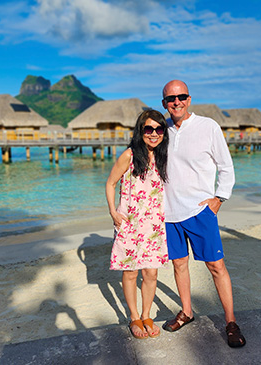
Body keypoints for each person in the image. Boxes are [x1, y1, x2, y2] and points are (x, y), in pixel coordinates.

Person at [161, 80, 246, 348]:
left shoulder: (208, 126)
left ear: (189, 99)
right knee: (178, 264)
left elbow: (226, 166)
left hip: (200, 212)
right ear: (164, 103)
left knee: (216, 267)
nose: (176, 102)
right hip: (169, 213)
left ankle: (231, 322)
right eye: (170, 99)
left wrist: (220, 198)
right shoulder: (159, 130)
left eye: (181, 97)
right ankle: (186, 311)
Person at [106, 109, 169, 339]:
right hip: (130, 222)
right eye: (149, 129)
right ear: (140, 130)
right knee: (131, 272)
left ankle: (146, 314)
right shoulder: (129, 155)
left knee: (151, 273)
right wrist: (113, 211)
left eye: (159, 129)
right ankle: (134, 317)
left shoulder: (163, 156)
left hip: (153, 224)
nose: (154, 134)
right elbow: (111, 183)